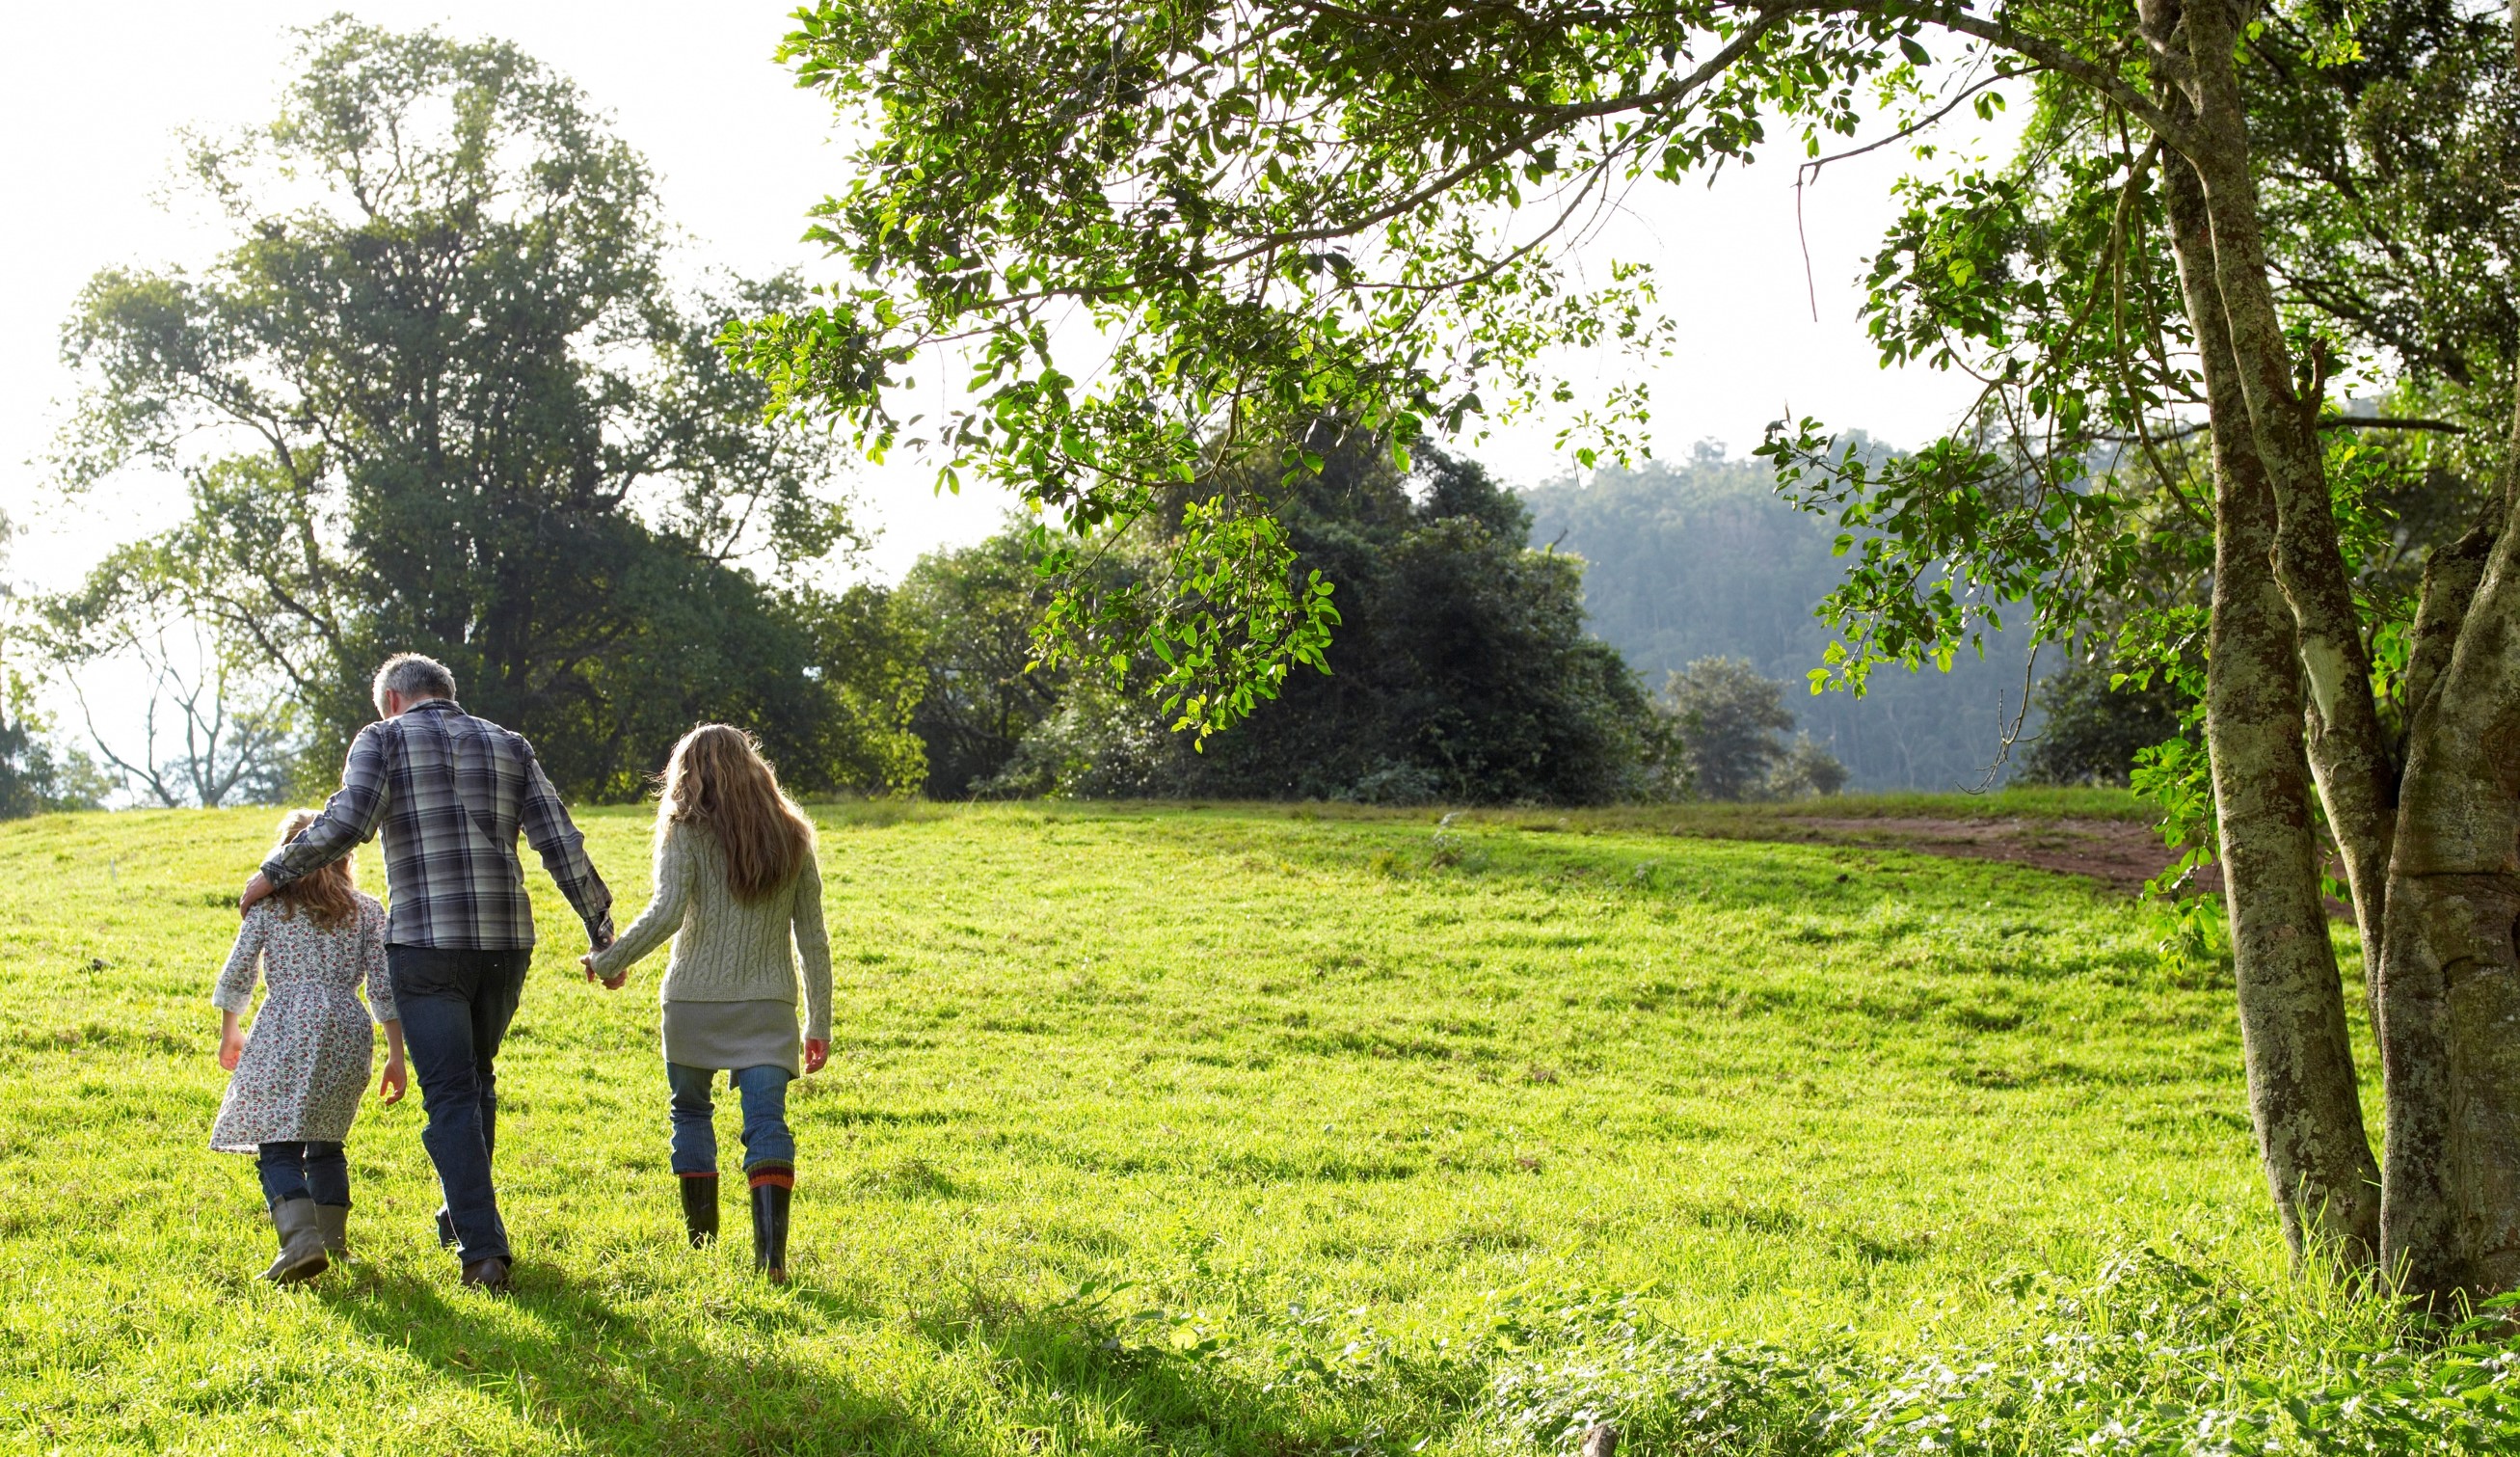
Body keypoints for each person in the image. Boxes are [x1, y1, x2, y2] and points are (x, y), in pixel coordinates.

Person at [241, 653, 613, 1293]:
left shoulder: (381, 739)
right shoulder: (509, 743)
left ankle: (483, 1251)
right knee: (474, 1077)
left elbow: (348, 821)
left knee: (449, 1090)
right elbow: (560, 839)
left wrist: (274, 871)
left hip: (426, 943)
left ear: (391, 700)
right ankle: (461, 1215)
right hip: (505, 943)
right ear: (447, 693)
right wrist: (600, 929)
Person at [584, 723, 831, 1283]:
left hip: (693, 998)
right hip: (768, 1005)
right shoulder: (793, 834)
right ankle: (771, 1259)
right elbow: (811, 936)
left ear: (688, 772)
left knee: (690, 1112)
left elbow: (667, 912)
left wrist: (608, 959)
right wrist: (819, 1022)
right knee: (766, 1120)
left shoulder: (684, 831)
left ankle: (702, 1248)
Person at [211, 808, 407, 1283]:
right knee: (326, 1142)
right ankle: (332, 1244)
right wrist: (397, 1056)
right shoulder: (367, 910)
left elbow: (240, 969)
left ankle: (301, 1243)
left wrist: (230, 1029)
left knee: (277, 1145)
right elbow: (384, 989)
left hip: (287, 1026)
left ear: (285, 856)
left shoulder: (271, 907)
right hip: (347, 1027)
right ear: (344, 857)